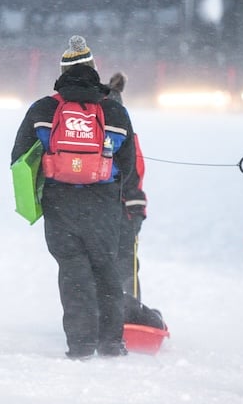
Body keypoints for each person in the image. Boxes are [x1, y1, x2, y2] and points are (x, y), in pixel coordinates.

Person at [11, 35, 138, 359]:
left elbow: (18, 158)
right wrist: (125, 201)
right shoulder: (113, 112)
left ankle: (80, 345)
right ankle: (111, 343)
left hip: (60, 202)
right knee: (106, 270)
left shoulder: (43, 109)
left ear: (62, 71)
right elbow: (129, 165)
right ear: (94, 69)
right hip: (103, 203)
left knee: (73, 272)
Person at [106, 71, 165, 330]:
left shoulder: (97, 127)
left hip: (96, 208)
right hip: (122, 209)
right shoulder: (124, 130)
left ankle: (102, 309)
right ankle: (127, 312)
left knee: (104, 261)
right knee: (126, 261)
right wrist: (136, 208)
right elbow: (136, 173)